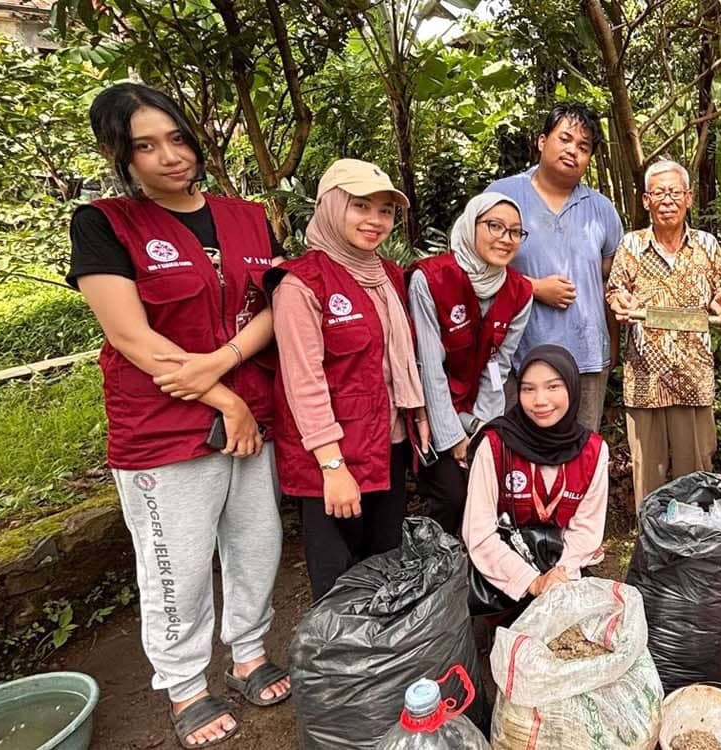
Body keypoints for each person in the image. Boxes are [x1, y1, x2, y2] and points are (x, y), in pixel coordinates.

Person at [69, 83, 288, 749]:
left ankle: (248, 653)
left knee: (257, 544)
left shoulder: (249, 216)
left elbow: (279, 306)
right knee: (177, 565)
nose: (169, 156)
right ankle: (186, 684)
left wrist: (223, 364)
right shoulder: (105, 224)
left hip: (252, 413)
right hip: (163, 428)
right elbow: (130, 336)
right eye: (145, 145)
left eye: (177, 138)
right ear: (121, 156)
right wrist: (223, 395)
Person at [269, 158, 429, 602]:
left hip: (388, 443)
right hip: (334, 457)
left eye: (385, 211)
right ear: (332, 207)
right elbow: (304, 381)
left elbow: (398, 363)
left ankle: (383, 663)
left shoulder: (390, 277)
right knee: (338, 578)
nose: (375, 221)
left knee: (385, 565)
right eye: (361, 206)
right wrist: (332, 467)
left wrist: (416, 418)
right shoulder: (302, 284)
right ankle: (343, 668)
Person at [486, 102, 624, 431]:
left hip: (587, 358)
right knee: (519, 455)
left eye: (583, 147)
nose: (572, 151)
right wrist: (532, 288)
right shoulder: (503, 197)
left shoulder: (601, 208)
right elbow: (473, 270)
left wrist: (613, 346)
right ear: (541, 140)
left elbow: (613, 280)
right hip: (518, 357)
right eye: (564, 139)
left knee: (579, 455)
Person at [606, 160, 721, 505]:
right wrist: (620, 300)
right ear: (646, 200)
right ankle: (652, 545)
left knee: (696, 470)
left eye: (674, 192)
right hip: (645, 378)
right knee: (647, 473)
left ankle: (694, 543)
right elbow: (616, 291)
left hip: (693, 376)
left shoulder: (708, 245)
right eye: (659, 193)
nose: (667, 200)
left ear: (689, 198)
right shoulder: (631, 245)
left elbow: (717, 297)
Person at [408, 193, 534, 534]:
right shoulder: (432, 279)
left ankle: (489, 570)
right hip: (429, 413)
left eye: (515, 232)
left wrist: (485, 430)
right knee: (454, 495)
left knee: (499, 487)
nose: (505, 238)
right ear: (470, 225)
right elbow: (428, 367)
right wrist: (454, 439)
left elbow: (499, 366)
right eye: (495, 226)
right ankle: (441, 570)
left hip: (477, 410)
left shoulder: (520, 292)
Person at [462, 345, 609, 604]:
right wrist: (532, 582)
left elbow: (586, 529)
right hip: (502, 579)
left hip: (564, 575)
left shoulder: (593, 451)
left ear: (572, 389)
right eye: (528, 389)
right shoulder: (496, 445)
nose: (540, 400)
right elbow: (479, 532)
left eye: (553, 387)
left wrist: (558, 577)